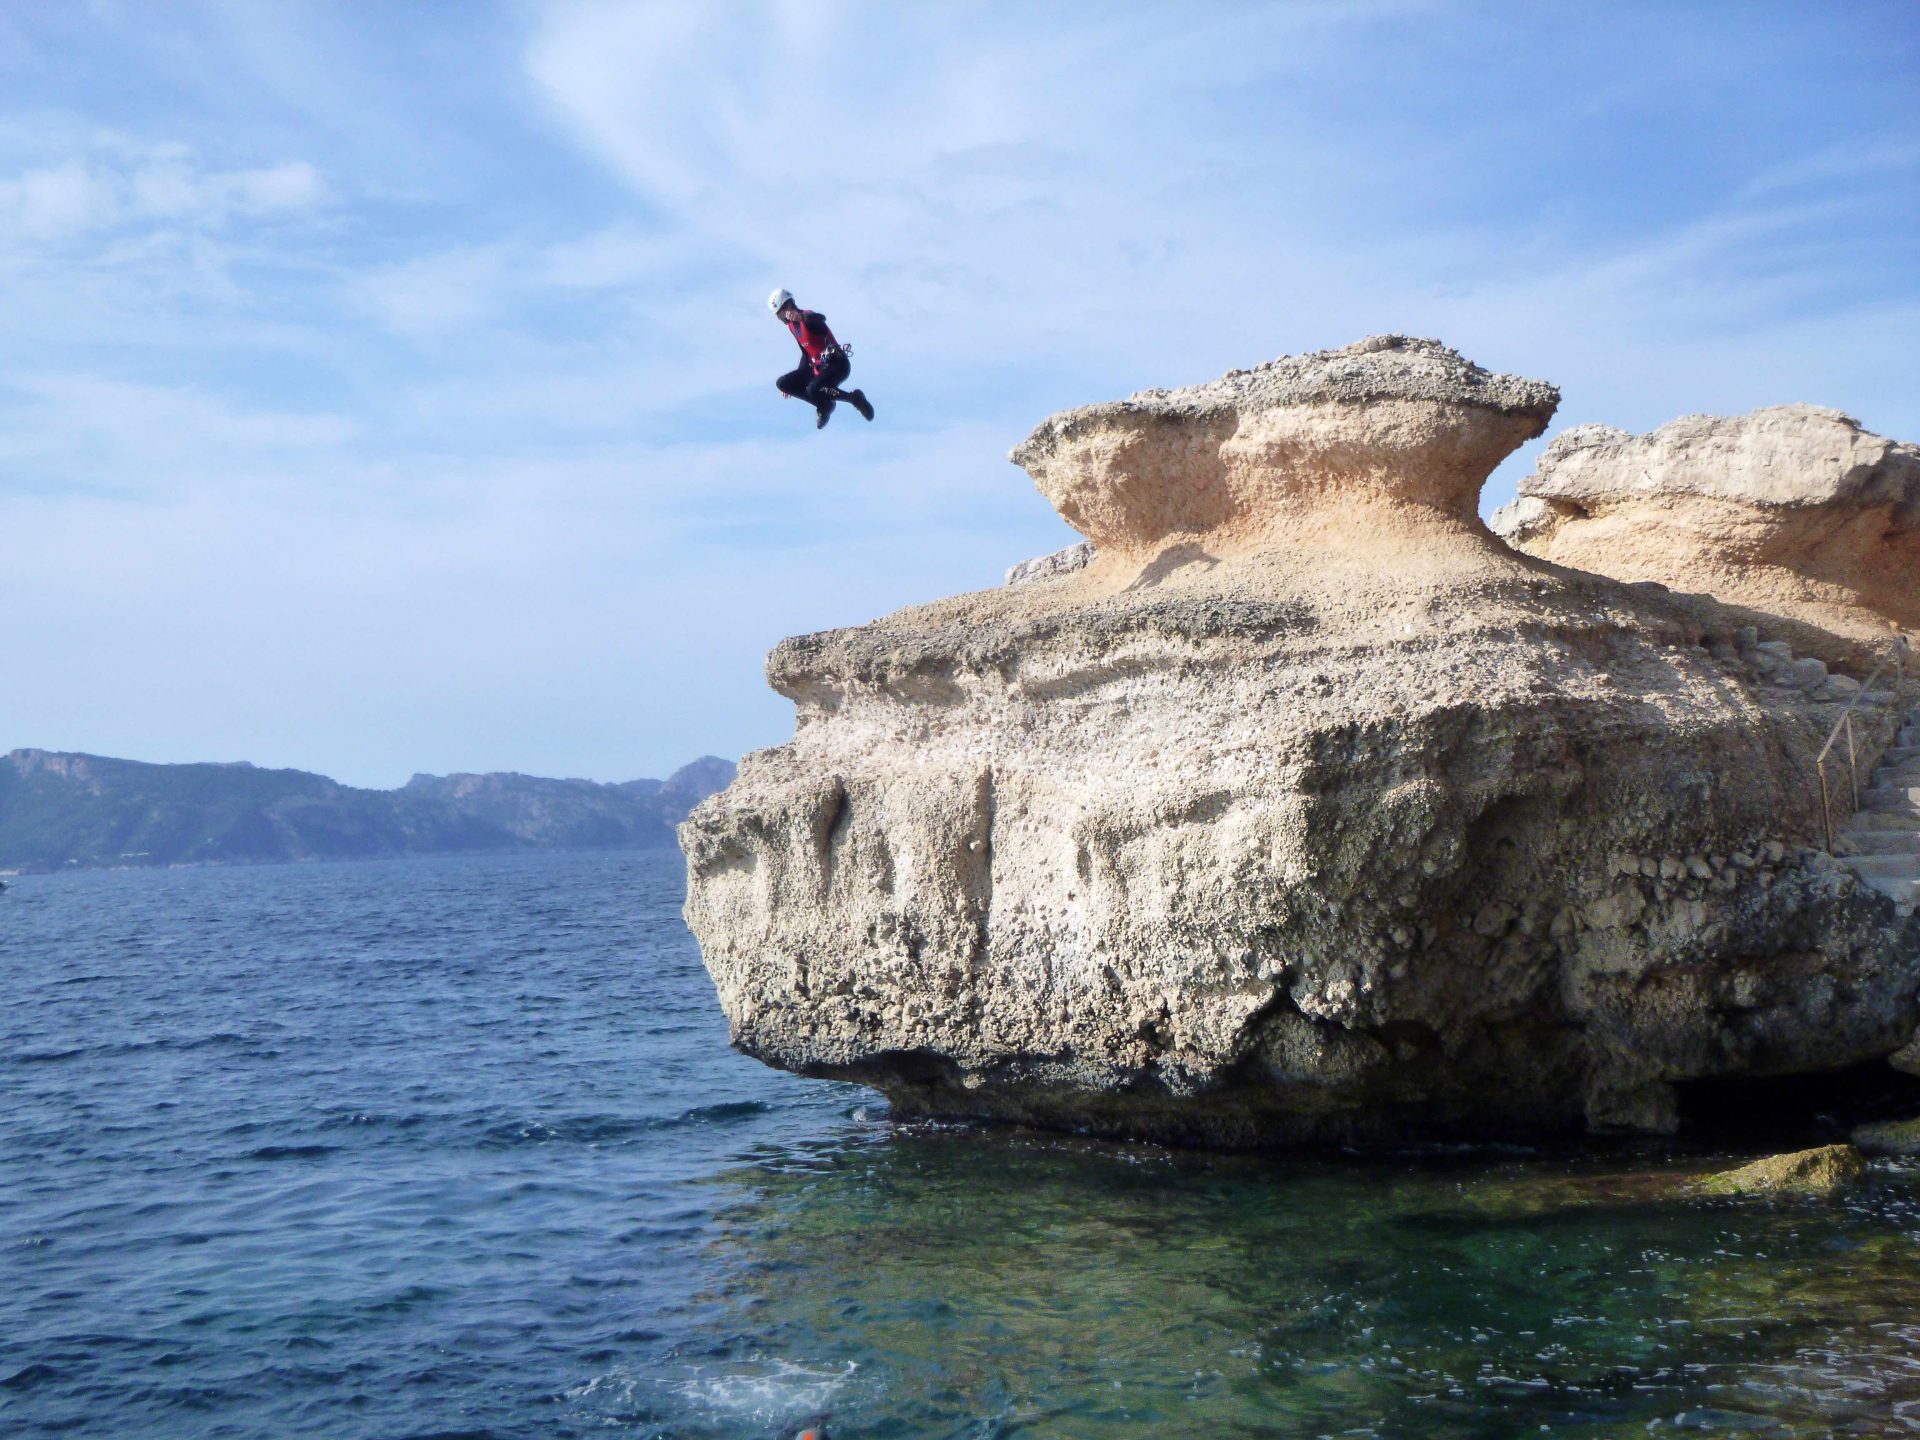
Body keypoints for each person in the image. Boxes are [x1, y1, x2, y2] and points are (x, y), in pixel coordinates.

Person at [768, 288, 874, 429]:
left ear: (787, 306)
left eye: (779, 314)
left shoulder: (808, 317)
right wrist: (793, 382)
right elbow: (806, 355)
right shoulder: (792, 327)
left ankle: (855, 399)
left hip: (838, 365)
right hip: (820, 368)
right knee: (783, 383)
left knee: (814, 388)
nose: (778, 319)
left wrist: (801, 317)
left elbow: (821, 319)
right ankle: (824, 405)